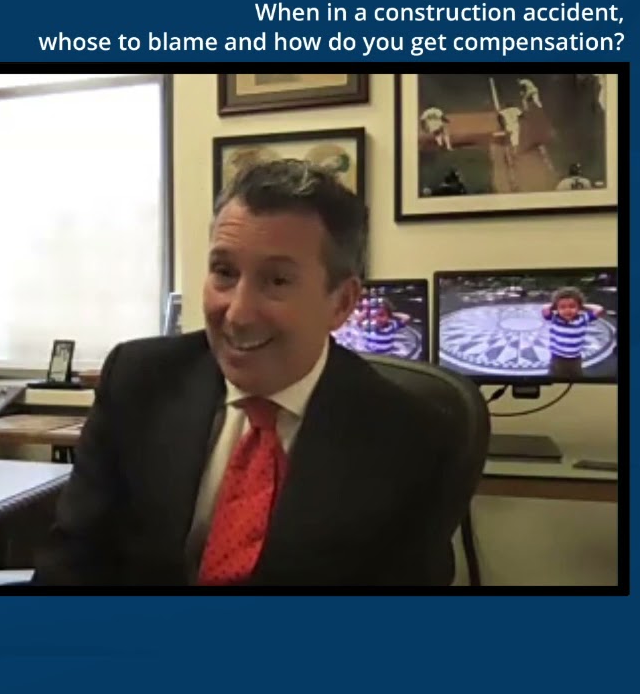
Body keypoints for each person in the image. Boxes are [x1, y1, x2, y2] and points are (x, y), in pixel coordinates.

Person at [33, 159, 481, 586]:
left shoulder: (412, 438)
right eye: (224, 272)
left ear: (342, 303)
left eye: (277, 281)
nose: (238, 314)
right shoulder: (138, 381)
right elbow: (71, 567)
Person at [541, 287, 605, 380]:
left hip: (575, 358)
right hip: (558, 358)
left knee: (577, 378)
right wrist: (554, 305)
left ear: (579, 308)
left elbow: (599, 309)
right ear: (556, 308)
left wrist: (582, 305)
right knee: (556, 378)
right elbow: (545, 308)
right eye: (562, 307)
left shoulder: (583, 318)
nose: (567, 310)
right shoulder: (555, 318)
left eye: (572, 306)